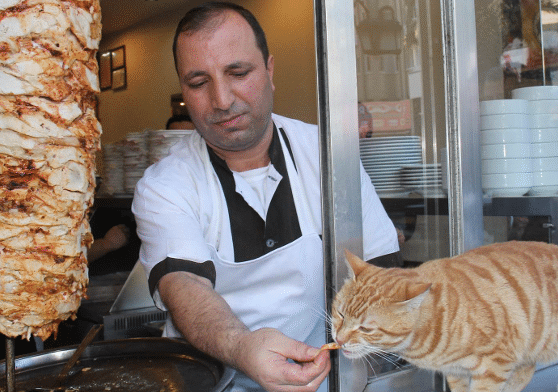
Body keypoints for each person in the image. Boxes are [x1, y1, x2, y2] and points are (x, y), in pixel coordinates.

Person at [131, 3, 401, 391]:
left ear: (270, 71)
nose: (222, 100)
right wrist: (241, 347)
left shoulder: (328, 156)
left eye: (238, 73)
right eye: (198, 82)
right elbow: (183, 285)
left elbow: (380, 275)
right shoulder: (165, 184)